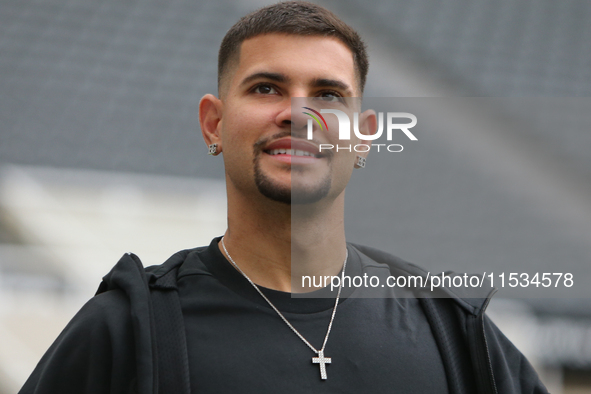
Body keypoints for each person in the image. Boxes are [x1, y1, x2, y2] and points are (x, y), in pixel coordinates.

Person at [20, 2, 548, 393]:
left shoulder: (452, 329)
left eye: (328, 94)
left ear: (362, 137)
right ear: (214, 124)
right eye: (266, 88)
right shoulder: (127, 332)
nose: (300, 114)